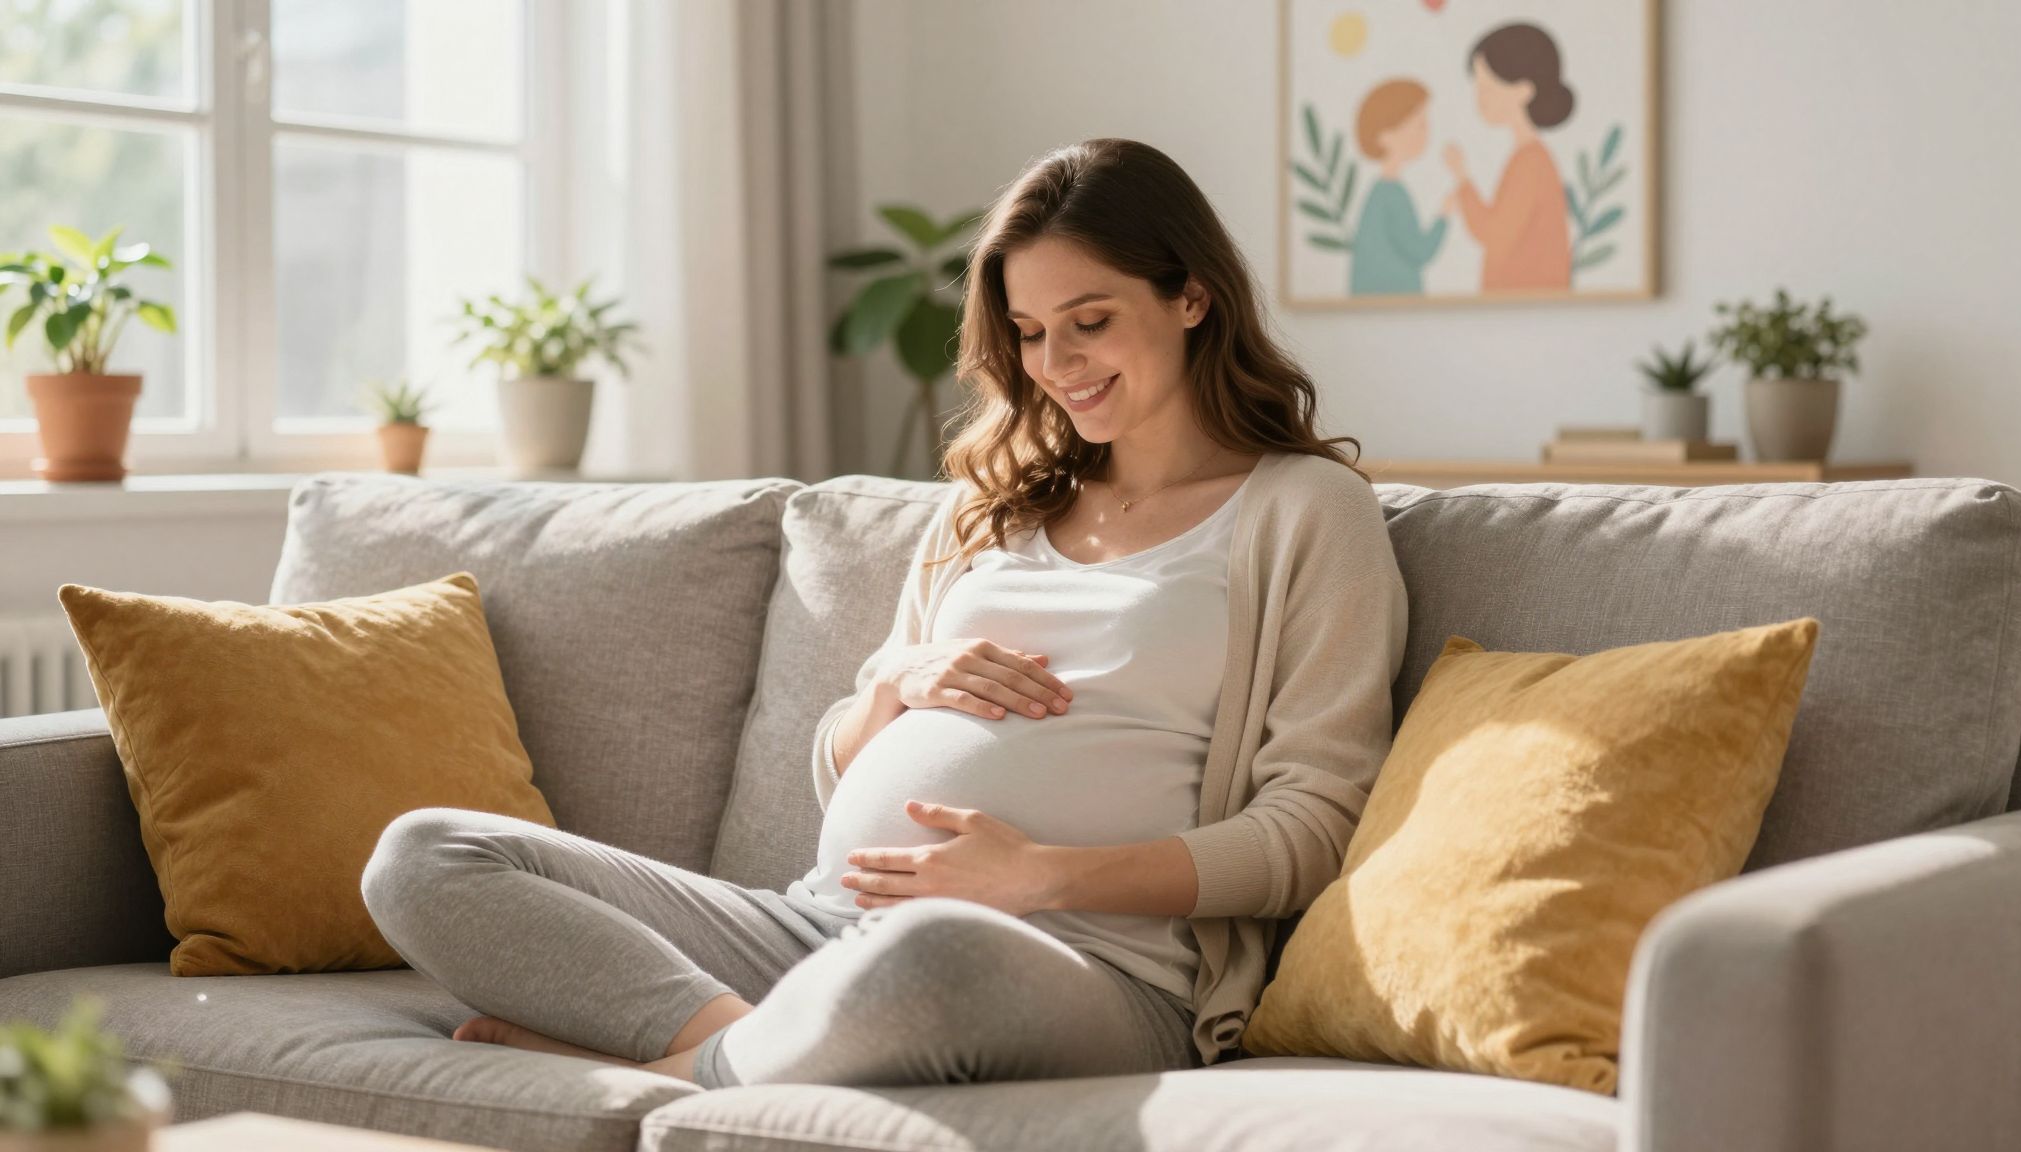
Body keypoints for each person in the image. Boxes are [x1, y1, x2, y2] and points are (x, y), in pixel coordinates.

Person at [359, 137, 1410, 1090]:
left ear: (1190, 296)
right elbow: (837, 767)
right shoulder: (991, 504)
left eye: (1090, 322)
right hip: (819, 924)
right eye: (1032, 332)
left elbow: (1309, 830)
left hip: (1083, 967)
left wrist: (1040, 878)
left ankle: (689, 1064)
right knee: (424, 854)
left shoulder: (1302, 510)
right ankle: (743, 1044)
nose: (1057, 365)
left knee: (934, 956)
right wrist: (897, 687)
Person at [1443, 22, 1576, 292]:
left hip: (1530, 304)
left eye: (1487, 89)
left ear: (1523, 91)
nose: (1479, 100)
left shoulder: (1532, 163)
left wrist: (1462, 180)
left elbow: (1493, 234)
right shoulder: (1525, 157)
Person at [1348, 78, 1455, 296]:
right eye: (1420, 124)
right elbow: (1419, 250)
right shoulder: (1390, 195)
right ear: (1386, 136)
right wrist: (1444, 214)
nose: (1427, 132)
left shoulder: (1382, 192)